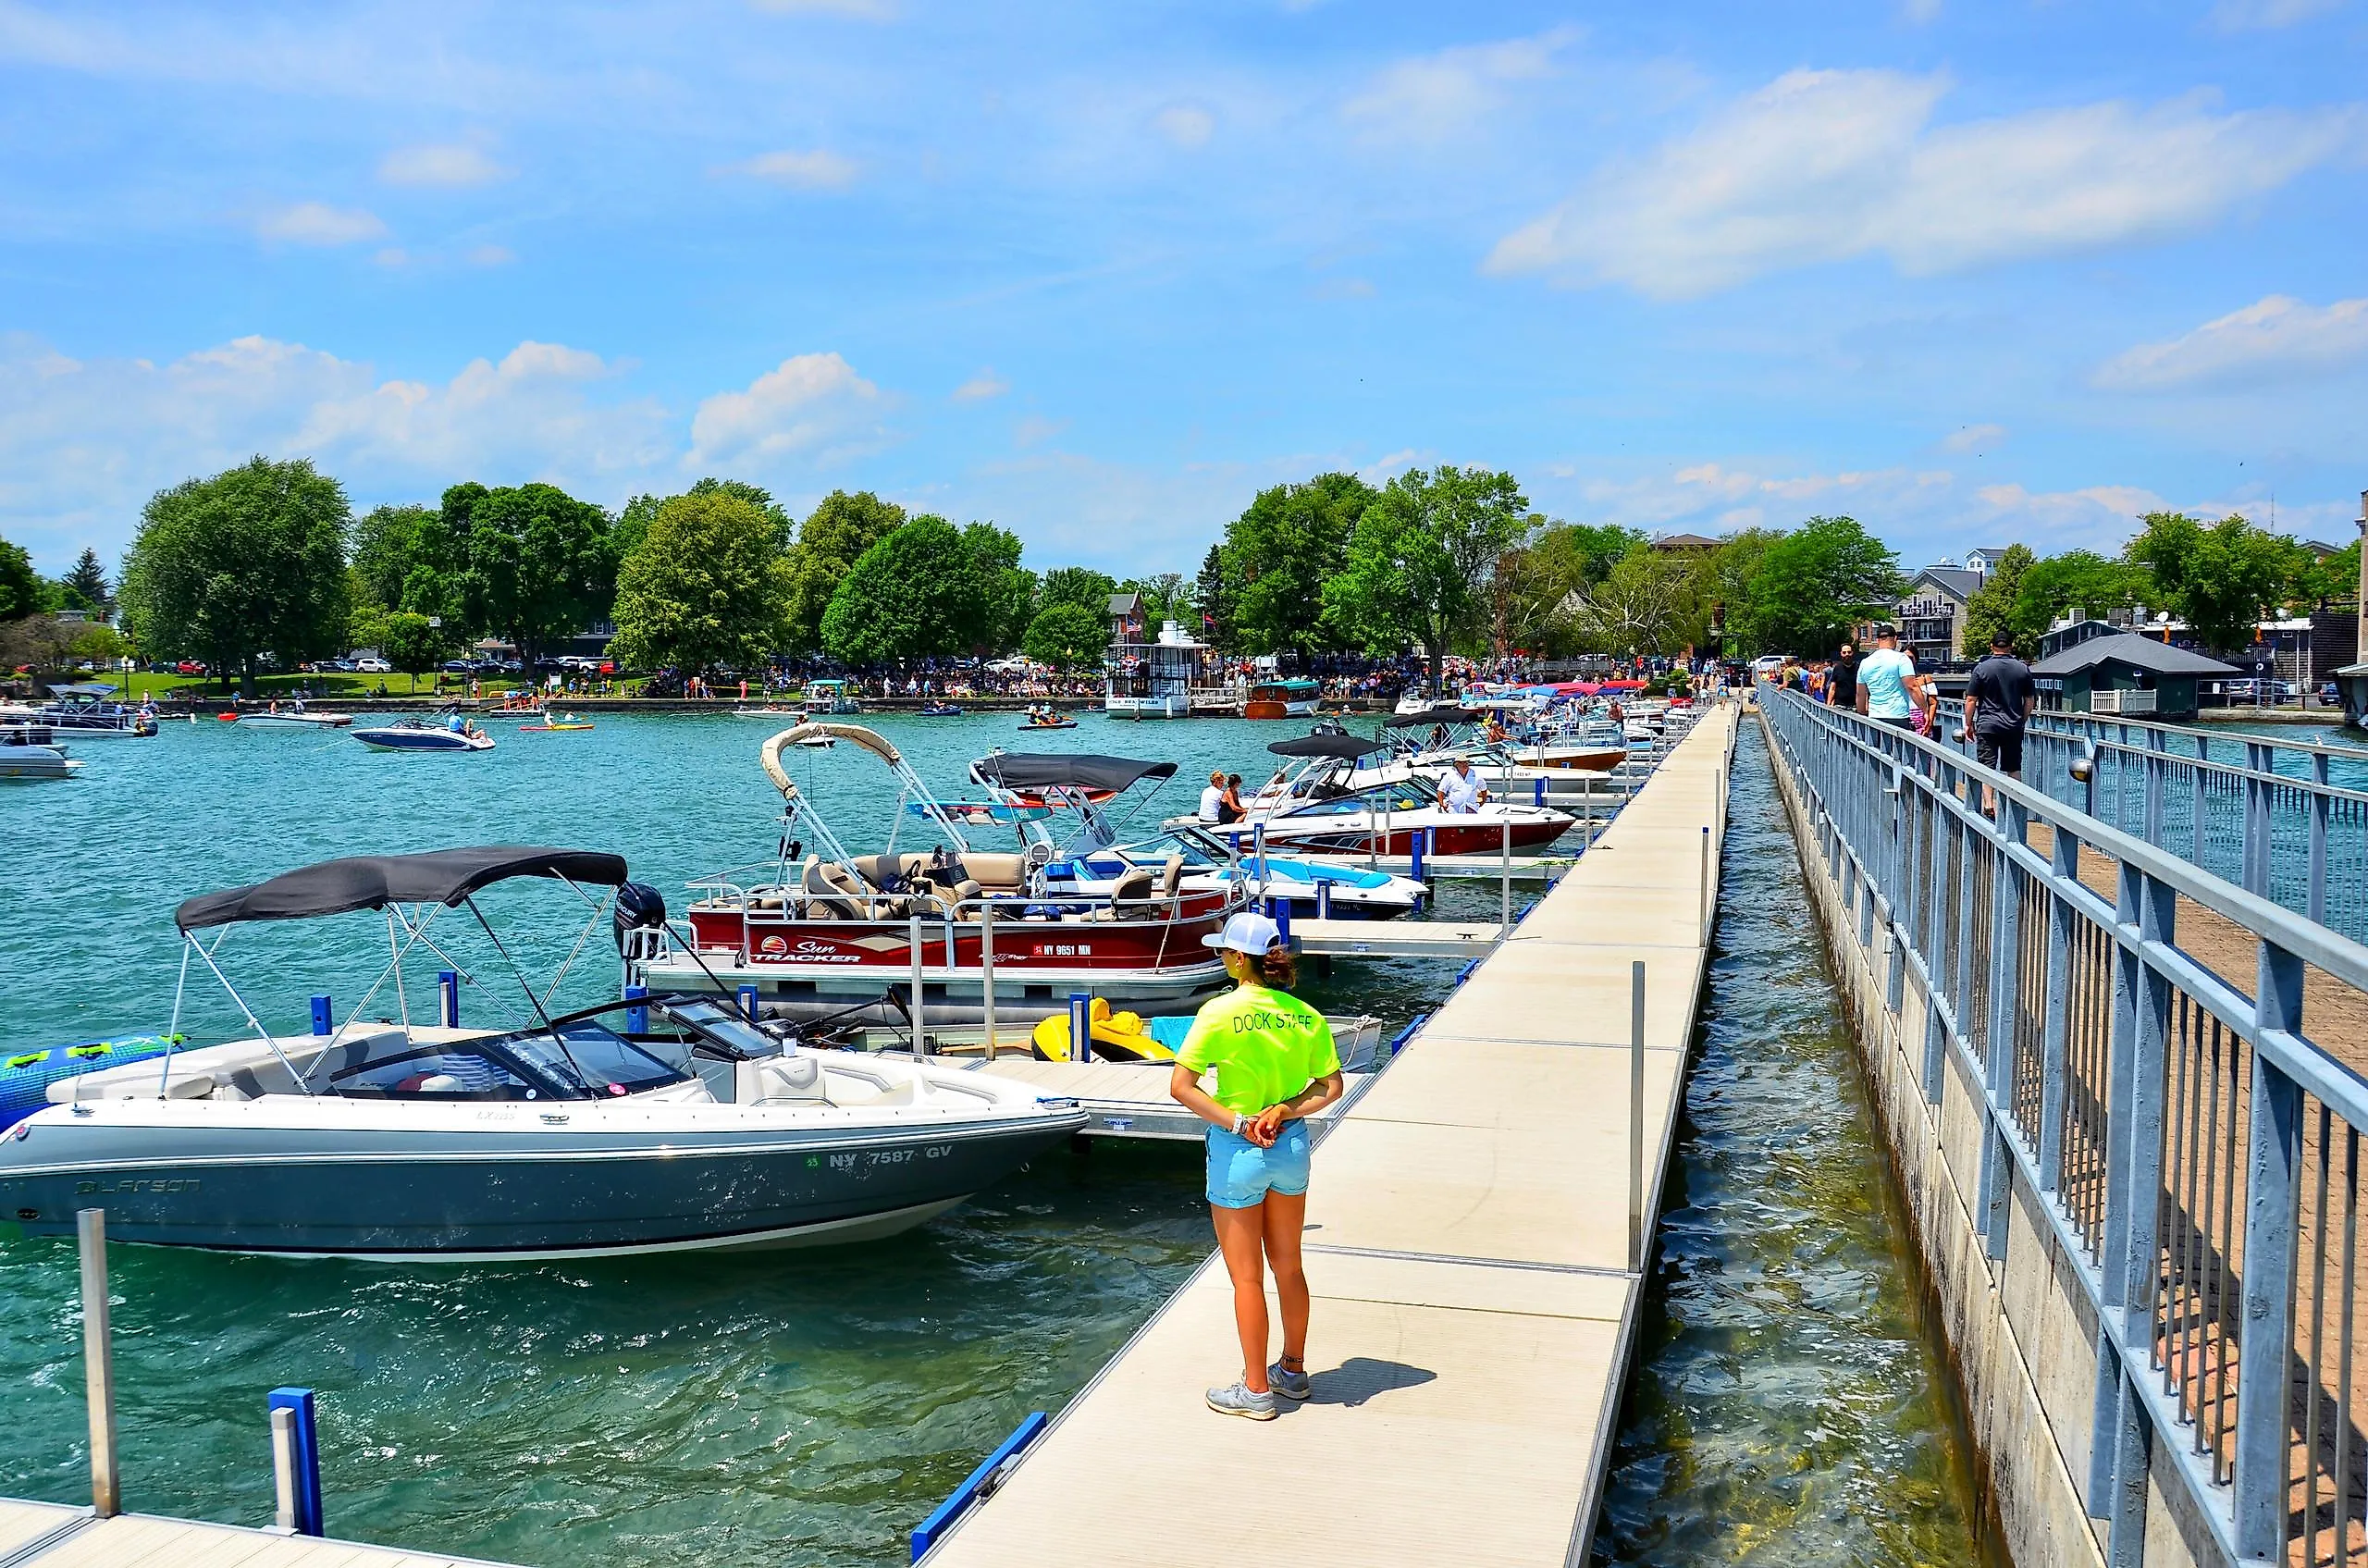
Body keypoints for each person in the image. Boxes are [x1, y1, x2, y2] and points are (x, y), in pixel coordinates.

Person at [1168, 911, 1346, 1420]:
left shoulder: (1219, 1012)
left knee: (1247, 1280)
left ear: (1239, 959)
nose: (1221, 956)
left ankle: (1255, 1390)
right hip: (1290, 1145)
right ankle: (1291, 1371)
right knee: (1289, 1265)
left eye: (1224, 950)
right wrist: (1285, 1110)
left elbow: (1182, 1087)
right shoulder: (1306, 1016)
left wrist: (1239, 1122)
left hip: (1238, 1152)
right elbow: (1330, 1088)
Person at [1964, 631, 2037, 812]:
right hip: (2013, 725)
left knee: (1987, 766)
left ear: (1991, 646)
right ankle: (2014, 806)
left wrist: (1968, 723)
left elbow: (1971, 700)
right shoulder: (2022, 669)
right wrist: (2022, 720)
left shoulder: (1981, 669)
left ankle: (1989, 805)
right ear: (2011, 646)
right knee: (2013, 767)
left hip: (1987, 724)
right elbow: (2029, 700)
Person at [1855, 625, 1928, 729]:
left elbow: (1860, 694)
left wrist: (1862, 713)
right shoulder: (1901, 658)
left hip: (1874, 717)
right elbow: (1912, 687)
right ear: (1895, 639)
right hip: (1898, 717)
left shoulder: (1865, 662)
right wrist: (1925, 711)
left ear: (1877, 640)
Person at [1828, 641, 1860, 710]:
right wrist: (1828, 705)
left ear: (1852, 653)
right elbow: (1832, 688)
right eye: (1844, 652)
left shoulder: (1859, 668)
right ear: (1841, 654)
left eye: (1849, 652)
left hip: (1855, 706)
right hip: (1839, 705)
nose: (1847, 654)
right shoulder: (1837, 668)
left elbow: (1863, 689)